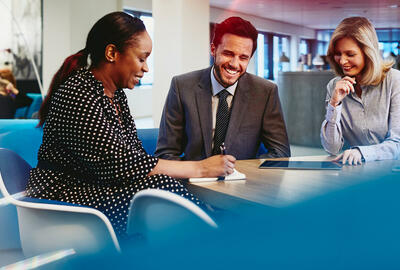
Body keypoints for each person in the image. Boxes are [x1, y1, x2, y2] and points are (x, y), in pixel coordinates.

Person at [26, 12, 235, 236]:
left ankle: (217, 233)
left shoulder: (115, 95)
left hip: (94, 186)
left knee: (163, 187)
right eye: (142, 58)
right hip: (63, 194)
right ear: (112, 53)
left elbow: (134, 156)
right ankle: (221, 235)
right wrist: (201, 167)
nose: (146, 68)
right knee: (160, 190)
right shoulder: (78, 92)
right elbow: (122, 165)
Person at [155, 16, 290, 161]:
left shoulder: (265, 92)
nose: (234, 64)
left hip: (242, 180)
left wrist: (236, 171)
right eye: (228, 54)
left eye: (243, 57)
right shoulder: (182, 86)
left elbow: (280, 152)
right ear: (213, 49)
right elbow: (165, 154)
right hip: (193, 179)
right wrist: (199, 172)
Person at [321, 17, 400, 165]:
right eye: (338, 53)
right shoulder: (334, 86)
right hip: (356, 173)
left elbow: (397, 144)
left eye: (350, 54)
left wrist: (361, 152)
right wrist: (334, 104)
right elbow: (331, 148)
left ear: (368, 53)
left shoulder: (395, 81)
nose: (342, 61)